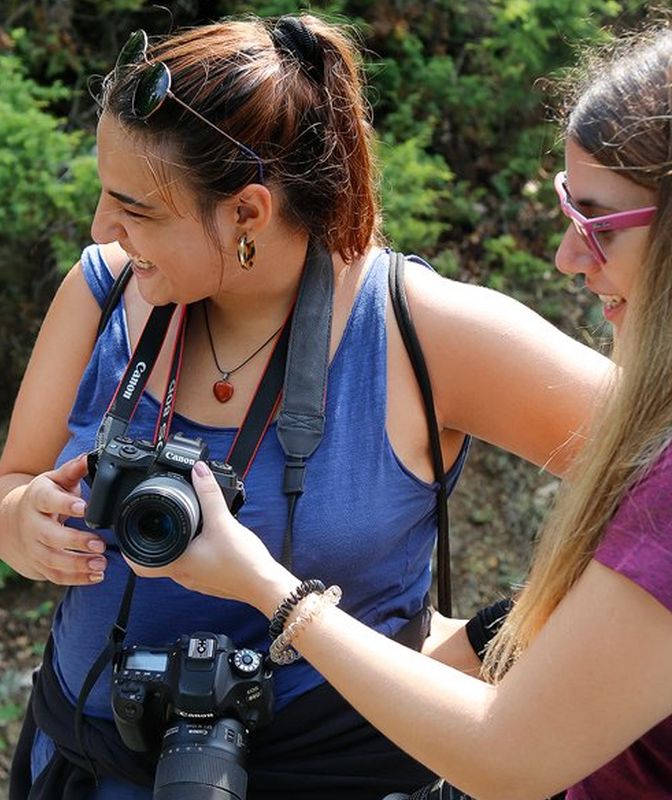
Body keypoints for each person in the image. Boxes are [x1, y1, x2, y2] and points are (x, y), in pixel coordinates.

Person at [0, 13, 611, 800]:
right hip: (83, 762)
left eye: (136, 209)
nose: (103, 227)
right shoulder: (104, 290)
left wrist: (502, 640)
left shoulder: (419, 331)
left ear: (247, 213)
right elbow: (10, 484)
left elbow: (657, 471)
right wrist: (20, 522)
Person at [130, 25, 672, 800]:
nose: (566, 258)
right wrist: (495, 634)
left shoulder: (422, 328)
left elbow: (506, 760)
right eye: (564, 203)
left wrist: (267, 587)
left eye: (596, 222)